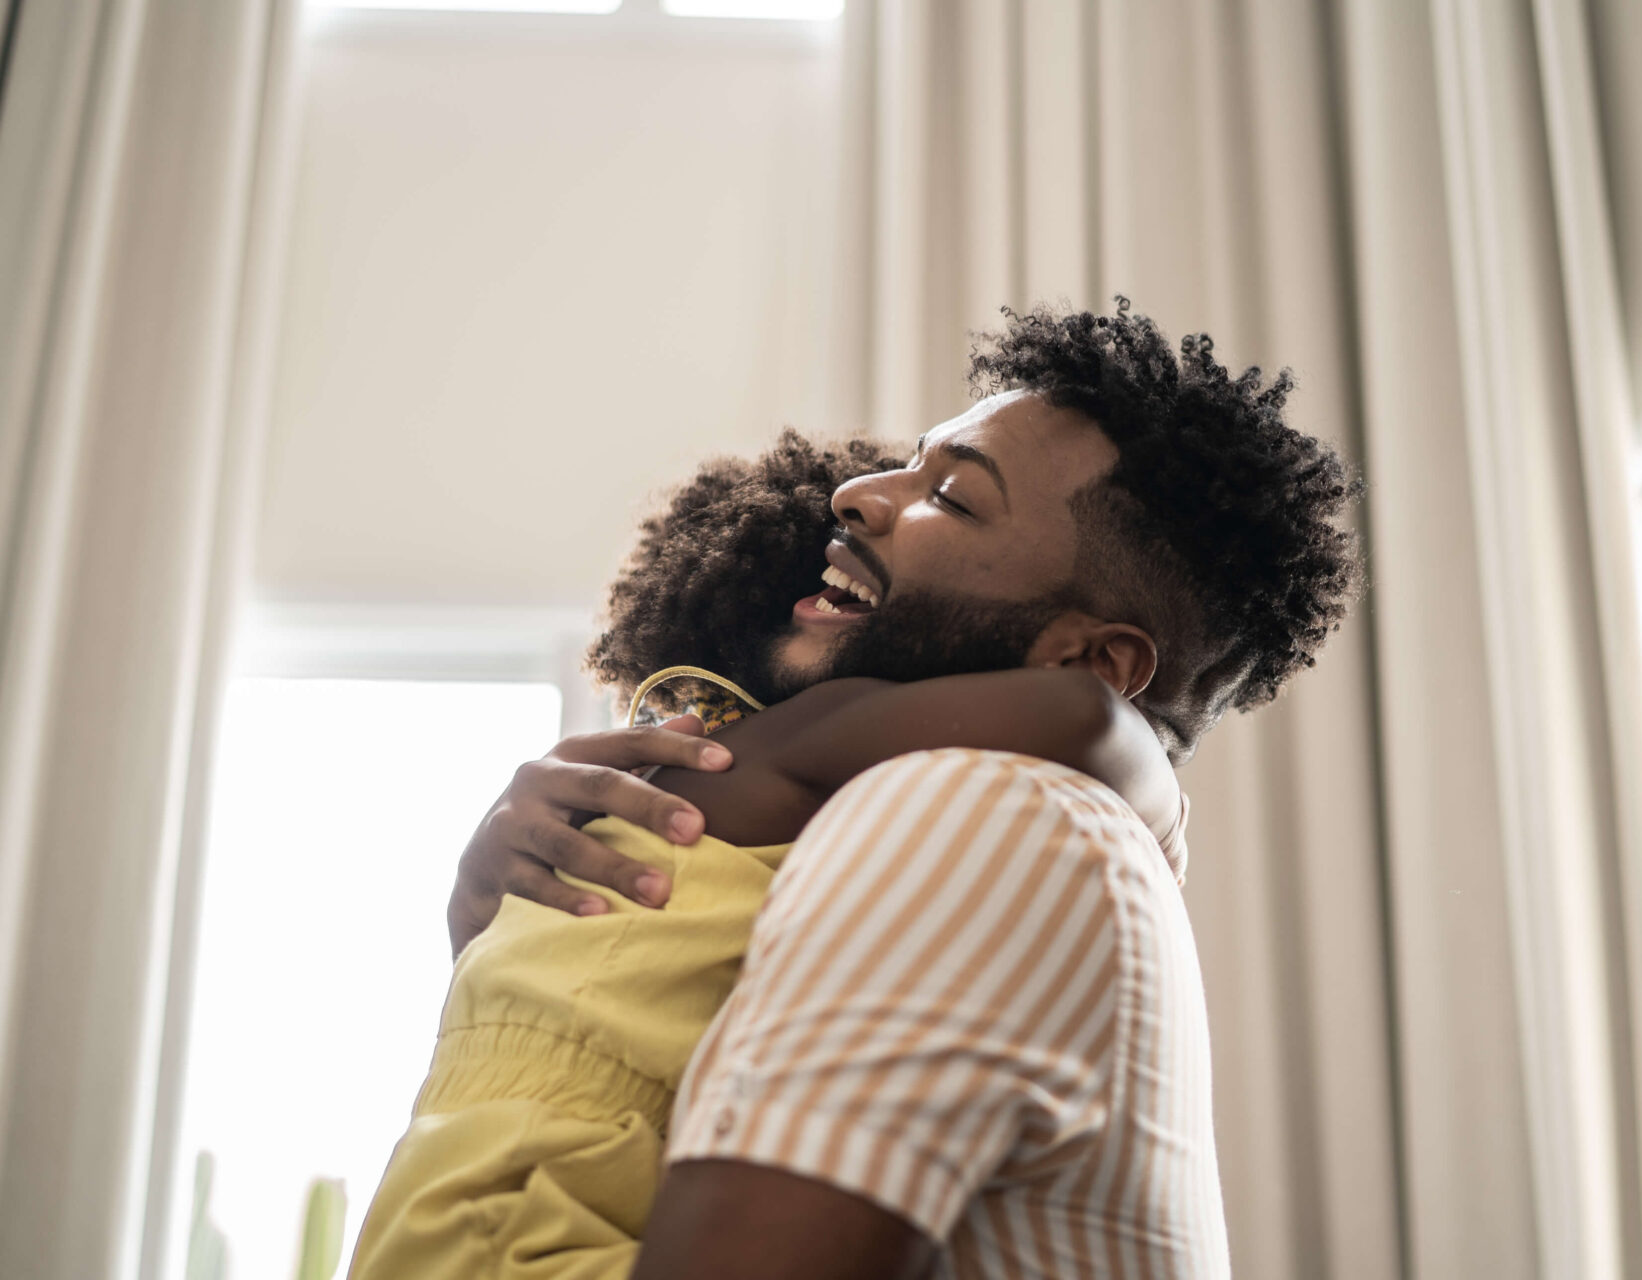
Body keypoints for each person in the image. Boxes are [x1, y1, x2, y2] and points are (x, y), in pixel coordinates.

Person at [440, 301, 1360, 1278]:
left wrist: (1138, 763)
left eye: (954, 496)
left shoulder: (985, 808)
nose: (857, 492)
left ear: (1088, 657)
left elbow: (1088, 722)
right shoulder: (860, 810)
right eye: (913, 463)